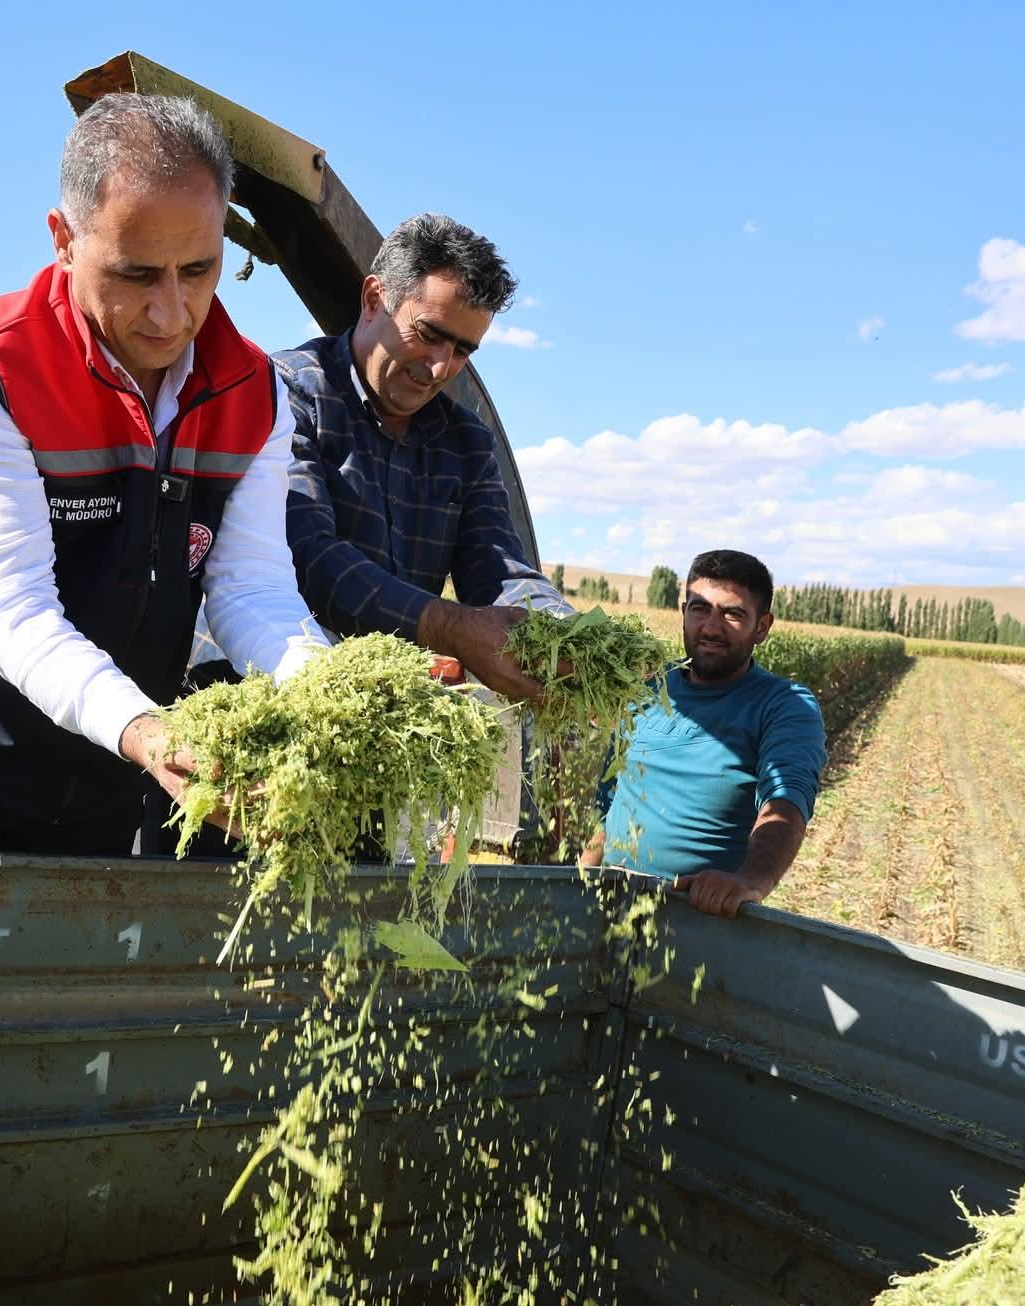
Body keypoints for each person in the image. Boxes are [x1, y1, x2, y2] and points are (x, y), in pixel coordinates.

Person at [0, 94, 326, 854]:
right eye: (137, 274)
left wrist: (330, 686)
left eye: (199, 269)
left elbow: (251, 587)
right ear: (64, 240)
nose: (172, 313)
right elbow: (11, 605)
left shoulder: (254, 393)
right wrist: (145, 730)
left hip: (103, 775)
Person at [277, 213, 568, 693]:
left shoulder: (465, 442)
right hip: (267, 684)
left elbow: (496, 569)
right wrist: (450, 627)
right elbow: (310, 557)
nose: (440, 368)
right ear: (374, 299)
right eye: (429, 334)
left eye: (463, 351)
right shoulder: (289, 392)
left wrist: (566, 632)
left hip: (385, 710)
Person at [581, 550, 827, 915]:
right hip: (607, 904)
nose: (711, 628)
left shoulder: (783, 705)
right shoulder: (647, 688)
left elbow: (787, 801)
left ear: (762, 627)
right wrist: (585, 866)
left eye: (732, 613)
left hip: (699, 920)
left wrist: (751, 880)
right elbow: (613, 792)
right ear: (683, 612)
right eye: (700, 609)